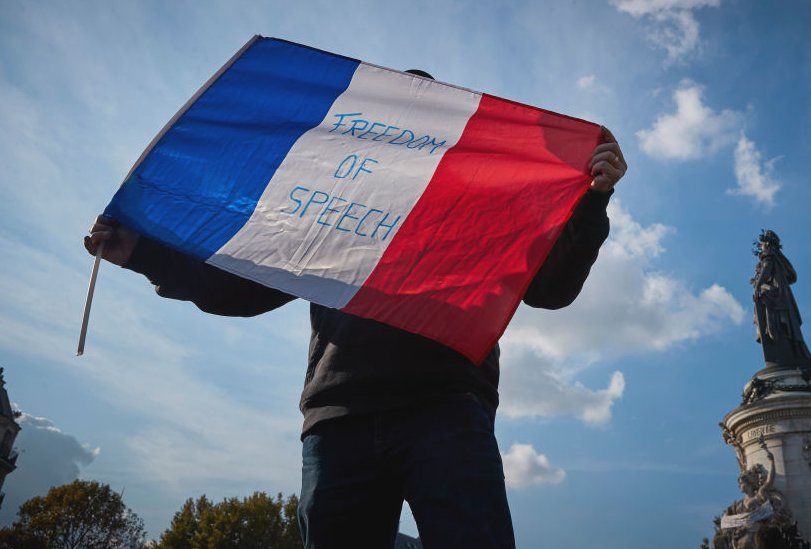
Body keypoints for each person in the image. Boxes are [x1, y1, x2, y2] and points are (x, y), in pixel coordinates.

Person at [84, 74, 627, 548]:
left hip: (445, 407)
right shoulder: (331, 216)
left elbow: (551, 289)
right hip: (339, 419)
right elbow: (241, 292)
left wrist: (592, 202)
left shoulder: (482, 207)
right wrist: (144, 253)